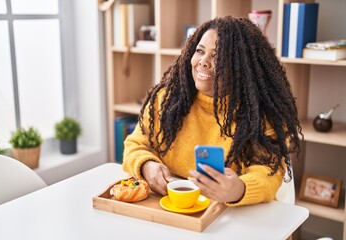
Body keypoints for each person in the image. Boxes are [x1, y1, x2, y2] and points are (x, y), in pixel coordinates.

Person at [122, 16, 302, 206]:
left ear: (241, 68)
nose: (204, 62)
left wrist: (238, 189)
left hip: (228, 215)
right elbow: (135, 143)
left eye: (218, 57)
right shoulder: (166, 100)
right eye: (200, 51)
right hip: (170, 209)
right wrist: (147, 165)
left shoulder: (260, 114)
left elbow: (269, 174)